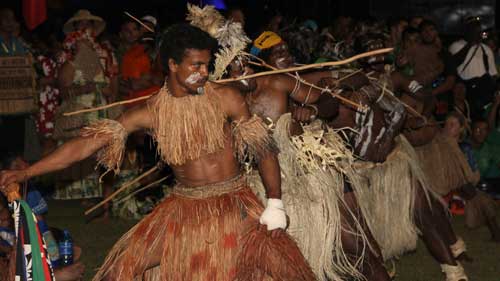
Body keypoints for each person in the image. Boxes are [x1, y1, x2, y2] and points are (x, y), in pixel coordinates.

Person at [0, 23, 315, 281]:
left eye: (207, 64)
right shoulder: (150, 112)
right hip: (184, 208)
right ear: (172, 65)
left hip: (235, 204)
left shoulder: (226, 98)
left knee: (290, 272)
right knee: (116, 272)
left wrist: (274, 202)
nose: (205, 72)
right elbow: (84, 145)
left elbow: (264, 149)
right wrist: (27, 172)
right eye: (196, 65)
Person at [230, 28, 390, 280]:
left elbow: (336, 96)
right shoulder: (226, 102)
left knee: (354, 242)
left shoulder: (283, 82)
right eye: (278, 51)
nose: (285, 55)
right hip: (265, 188)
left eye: (286, 49)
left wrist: (314, 109)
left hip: (310, 174)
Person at [311, 33, 470, 281]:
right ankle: (381, 270)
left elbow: (418, 98)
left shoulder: (384, 81)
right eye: (370, 49)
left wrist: (414, 118)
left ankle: (455, 267)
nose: (376, 54)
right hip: (363, 171)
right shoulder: (332, 97)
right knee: (370, 229)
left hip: (394, 161)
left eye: (379, 50)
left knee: (424, 209)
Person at [53, 9, 118, 200]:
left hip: (101, 106)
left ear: (94, 29)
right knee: (77, 148)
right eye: (79, 25)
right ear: (74, 29)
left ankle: (103, 193)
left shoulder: (106, 53)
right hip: (79, 107)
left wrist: (109, 93)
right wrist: (81, 88)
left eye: (87, 25)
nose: (84, 29)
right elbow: (63, 86)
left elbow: (113, 84)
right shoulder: (67, 55)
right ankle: (78, 193)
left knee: (102, 148)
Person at [442, 112, 500, 242]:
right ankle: (496, 233)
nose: (480, 133)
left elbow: (472, 175)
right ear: (471, 130)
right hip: (449, 190)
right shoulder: (441, 144)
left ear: (461, 128)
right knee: (481, 200)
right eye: (446, 124)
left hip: (465, 188)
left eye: (452, 125)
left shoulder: (465, 147)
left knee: (478, 205)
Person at [449, 17, 498, 120]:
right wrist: (470, 44)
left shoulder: (486, 49)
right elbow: (454, 63)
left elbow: (493, 74)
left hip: (483, 92)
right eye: (473, 30)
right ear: (466, 31)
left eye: (478, 30)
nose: (477, 33)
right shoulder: (456, 45)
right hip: (465, 91)